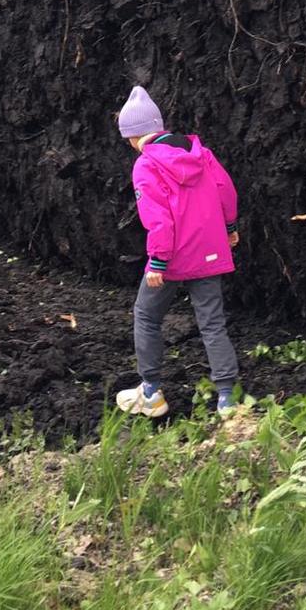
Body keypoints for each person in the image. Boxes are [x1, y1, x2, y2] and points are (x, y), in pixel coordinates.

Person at [114, 85, 241, 419]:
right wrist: (230, 229)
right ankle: (227, 399)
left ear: (132, 136)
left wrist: (157, 262)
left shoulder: (146, 165)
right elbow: (226, 190)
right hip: (210, 252)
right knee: (213, 324)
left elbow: (159, 220)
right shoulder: (200, 151)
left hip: (171, 257)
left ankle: (152, 393)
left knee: (146, 315)